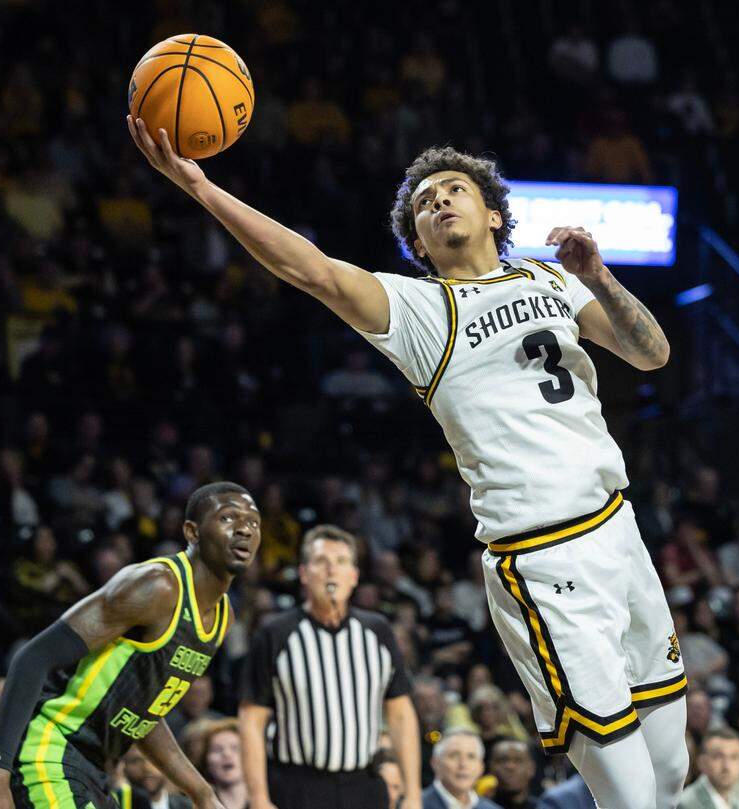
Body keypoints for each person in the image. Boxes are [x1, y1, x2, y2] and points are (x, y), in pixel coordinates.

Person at [128, 118, 688, 808]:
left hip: (618, 530)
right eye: (425, 202)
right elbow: (308, 267)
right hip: (541, 554)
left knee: (670, 769)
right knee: (631, 795)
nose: (440, 200)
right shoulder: (420, 310)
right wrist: (201, 186)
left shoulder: (551, 276)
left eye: (454, 189)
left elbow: (651, 353)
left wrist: (597, 275)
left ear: (492, 212)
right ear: (418, 242)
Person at [0, 482, 258, 809]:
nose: (245, 530)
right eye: (228, 518)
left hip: (97, 771)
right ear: (192, 532)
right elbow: (33, 658)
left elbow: (144, 716)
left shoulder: (223, 618)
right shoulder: (156, 586)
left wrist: (201, 792)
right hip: (49, 754)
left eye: (253, 522)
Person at [238, 524, 420, 809]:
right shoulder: (276, 633)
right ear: (303, 574)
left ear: (354, 576)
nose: (331, 570)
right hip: (297, 786)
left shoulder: (378, 631)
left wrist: (413, 794)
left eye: (341, 562)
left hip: (364, 785)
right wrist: (259, 798)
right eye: (321, 562)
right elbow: (251, 719)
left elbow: (401, 715)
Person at [422, 731, 500, 809]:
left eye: (471, 757)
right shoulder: (416, 804)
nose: (463, 764)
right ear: (435, 763)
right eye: (454, 756)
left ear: (481, 767)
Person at [677, 727, 739, 809]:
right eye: (718, 756)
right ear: (701, 762)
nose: (726, 766)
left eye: (734, 757)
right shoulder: (686, 804)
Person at [189, 719, 247, 809]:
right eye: (217, 750)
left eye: (235, 748)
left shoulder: (270, 799)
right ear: (205, 761)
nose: (227, 754)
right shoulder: (191, 804)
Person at [122, 744, 189, 809]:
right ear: (123, 767)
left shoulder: (188, 806)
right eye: (136, 761)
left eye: (154, 759)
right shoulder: (117, 804)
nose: (147, 768)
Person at [487, 739, 538, 809]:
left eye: (518, 760)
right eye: (503, 760)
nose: (510, 767)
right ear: (491, 767)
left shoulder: (547, 806)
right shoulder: (475, 806)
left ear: (531, 768)